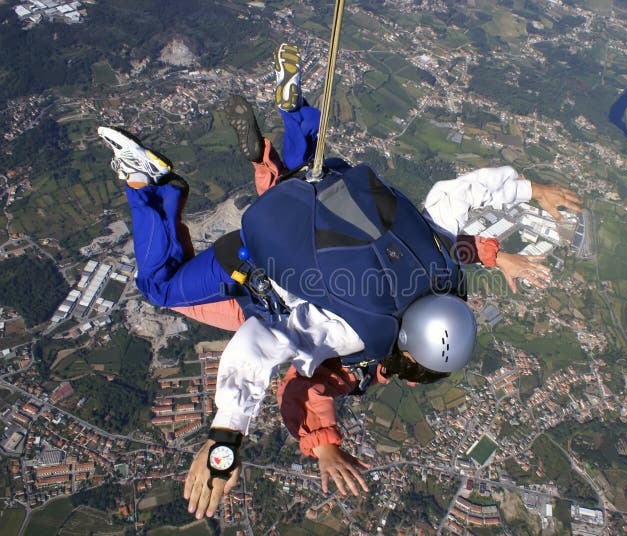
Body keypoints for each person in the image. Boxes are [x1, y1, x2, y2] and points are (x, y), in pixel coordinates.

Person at [98, 43, 582, 519]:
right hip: (248, 272)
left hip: (323, 193)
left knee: (291, 184)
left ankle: (295, 111)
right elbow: (267, 355)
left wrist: (527, 197)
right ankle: (152, 186)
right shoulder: (358, 336)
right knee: (160, 287)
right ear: (405, 356)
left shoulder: (433, 266)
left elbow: (464, 193)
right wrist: (228, 440)